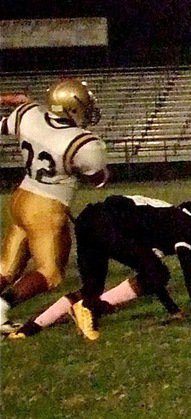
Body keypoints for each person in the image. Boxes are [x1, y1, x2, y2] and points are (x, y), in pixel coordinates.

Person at [8, 196, 191, 340]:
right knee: (157, 273)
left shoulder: (162, 216)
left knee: (91, 288)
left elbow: (148, 273)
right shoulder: (183, 225)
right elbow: (189, 274)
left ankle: (31, 327)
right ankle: (89, 307)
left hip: (90, 219)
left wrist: (172, 309)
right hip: (108, 224)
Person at [0, 80, 108, 333]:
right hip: (47, 207)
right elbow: (98, 179)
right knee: (50, 274)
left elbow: (4, 125)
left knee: (7, 266)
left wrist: (11, 100)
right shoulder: (84, 142)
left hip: (22, 196)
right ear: (72, 108)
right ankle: (1, 307)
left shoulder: (28, 115)